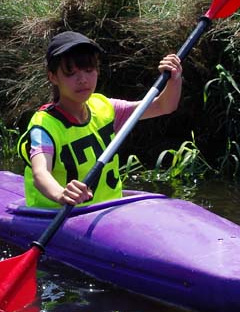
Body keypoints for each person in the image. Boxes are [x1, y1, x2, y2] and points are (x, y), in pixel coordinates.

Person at [19, 31, 182, 208]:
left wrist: (174, 78)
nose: (82, 79)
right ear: (53, 77)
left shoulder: (105, 107)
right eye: (70, 73)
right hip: (58, 217)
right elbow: (40, 173)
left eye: (89, 70)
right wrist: (61, 194)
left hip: (109, 212)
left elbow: (164, 106)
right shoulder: (43, 127)